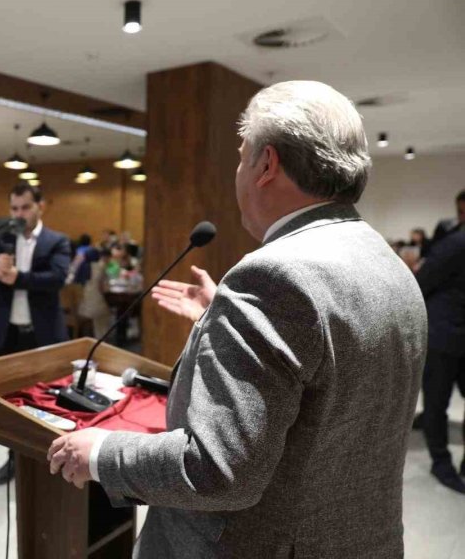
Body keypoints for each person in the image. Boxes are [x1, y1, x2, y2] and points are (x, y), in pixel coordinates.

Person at [47, 81, 427, 558]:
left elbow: (219, 471)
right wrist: (217, 317)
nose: (237, 171)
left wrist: (102, 453)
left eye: (241, 155)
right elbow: (331, 376)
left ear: (266, 164)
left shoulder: (274, 277)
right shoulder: (386, 261)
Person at [0, 182, 70, 484]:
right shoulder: (3, 238)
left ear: (39, 206)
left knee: (45, 401)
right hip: (10, 333)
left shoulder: (56, 240)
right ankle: (13, 458)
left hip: (42, 334)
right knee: (11, 402)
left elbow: (56, 278)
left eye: (25, 207)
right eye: (14, 208)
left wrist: (18, 277)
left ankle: (49, 461)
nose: (19, 214)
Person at [416, 223, 465, 492]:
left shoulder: (455, 242)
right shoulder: (456, 243)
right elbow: (422, 281)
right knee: (437, 402)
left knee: (437, 402)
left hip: (450, 331)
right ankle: (441, 462)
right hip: (445, 335)